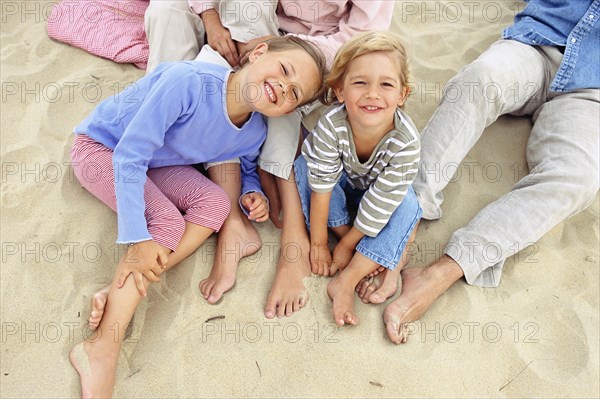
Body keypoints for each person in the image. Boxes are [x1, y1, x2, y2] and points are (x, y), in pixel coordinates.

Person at [68, 36, 326, 398]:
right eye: (284, 70)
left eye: (294, 93)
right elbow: (130, 154)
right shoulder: (187, 83)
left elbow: (247, 164)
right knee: (168, 224)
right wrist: (137, 237)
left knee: (218, 204)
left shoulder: (253, 130)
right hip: (103, 149)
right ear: (259, 52)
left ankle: (118, 290)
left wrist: (251, 193)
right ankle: (101, 347)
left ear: (287, 111)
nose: (284, 86)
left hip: (158, 164)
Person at [145, 1, 395, 314]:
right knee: (171, 11)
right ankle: (169, 116)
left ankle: (293, 232)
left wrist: (281, 48)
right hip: (244, 23)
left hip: (315, 52)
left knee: (281, 89)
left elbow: (359, 41)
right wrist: (210, 17)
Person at [374, 0, 600, 344]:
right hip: (537, 42)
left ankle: (443, 271)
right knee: (478, 81)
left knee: (578, 177)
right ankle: (402, 225)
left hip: (591, 91)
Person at [295, 31, 422, 326]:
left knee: (410, 206)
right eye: (360, 82)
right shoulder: (331, 125)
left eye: (386, 84)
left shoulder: (406, 142)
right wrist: (317, 243)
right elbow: (322, 184)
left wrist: (346, 247)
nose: (372, 94)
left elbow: (381, 203)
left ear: (402, 94)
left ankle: (348, 278)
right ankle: (344, 231)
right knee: (303, 165)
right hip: (339, 186)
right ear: (340, 91)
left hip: (377, 196)